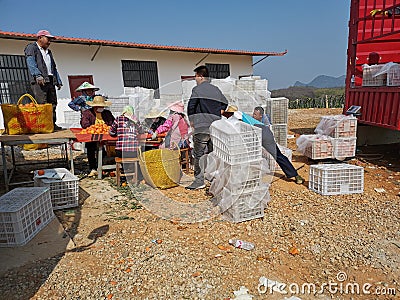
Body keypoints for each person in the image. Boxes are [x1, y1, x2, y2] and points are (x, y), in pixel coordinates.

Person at [223, 105, 304, 184]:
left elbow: (228, 116)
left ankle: (296, 175)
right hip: (257, 133)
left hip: (264, 134)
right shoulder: (239, 117)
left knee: (277, 155)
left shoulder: (237, 114)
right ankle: (249, 176)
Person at [186, 65, 228, 190]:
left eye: (196, 76)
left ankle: (199, 181)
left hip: (202, 126)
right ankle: (214, 177)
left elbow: (191, 106)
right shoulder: (215, 89)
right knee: (213, 153)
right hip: (215, 126)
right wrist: (219, 111)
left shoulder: (197, 89)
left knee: (199, 154)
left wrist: (192, 121)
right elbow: (225, 102)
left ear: (200, 76)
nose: (195, 79)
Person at [24, 30, 63, 130]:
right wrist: (37, 75)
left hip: (50, 79)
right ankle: (44, 126)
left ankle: (52, 125)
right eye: (48, 39)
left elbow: (53, 67)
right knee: (42, 104)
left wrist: (57, 80)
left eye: (50, 39)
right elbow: (30, 62)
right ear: (40, 38)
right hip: (40, 80)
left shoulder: (49, 52)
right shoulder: (32, 48)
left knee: (52, 104)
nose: (49, 41)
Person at [81, 96, 115, 177]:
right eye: (99, 106)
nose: (101, 108)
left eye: (102, 106)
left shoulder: (107, 113)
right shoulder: (87, 113)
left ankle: (102, 166)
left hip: (105, 135)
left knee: (103, 150)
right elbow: (84, 124)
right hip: (93, 135)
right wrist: (94, 128)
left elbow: (113, 123)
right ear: (94, 106)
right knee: (91, 148)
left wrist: (107, 127)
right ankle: (93, 168)